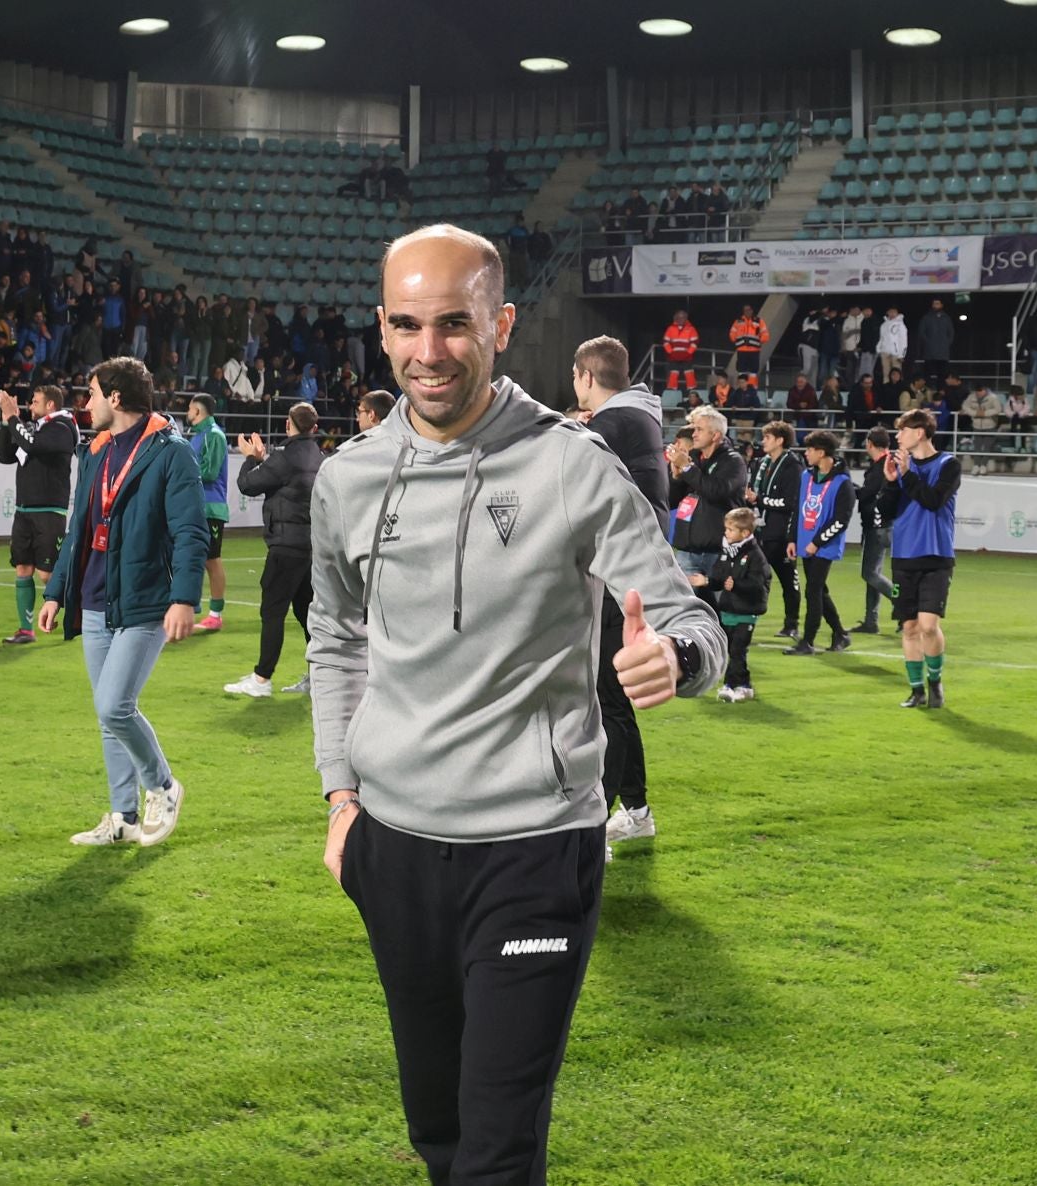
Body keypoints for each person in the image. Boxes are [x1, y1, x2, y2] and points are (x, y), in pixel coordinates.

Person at [310, 225, 725, 1186]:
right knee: (440, 1135)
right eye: (407, 326)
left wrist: (678, 659)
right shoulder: (348, 478)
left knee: (497, 1150)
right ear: (382, 329)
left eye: (454, 325)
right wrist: (341, 800)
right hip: (394, 848)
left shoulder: (571, 465)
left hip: (535, 849)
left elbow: (684, 615)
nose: (429, 352)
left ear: (500, 323)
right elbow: (336, 641)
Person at [38, 356, 205, 848]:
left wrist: (184, 599)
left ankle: (163, 786)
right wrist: (55, 591)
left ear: (115, 398)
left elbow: (190, 532)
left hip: (145, 600)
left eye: (90, 394)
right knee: (107, 713)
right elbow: (79, 529)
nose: (84, 404)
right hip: (94, 599)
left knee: (115, 706)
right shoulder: (95, 450)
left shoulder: (171, 452)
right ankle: (123, 817)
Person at [570, 336, 667, 853]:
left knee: (608, 705)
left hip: (617, 582)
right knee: (613, 702)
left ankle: (597, 820)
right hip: (629, 578)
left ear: (586, 376)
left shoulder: (612, 425)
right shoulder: (635, 421)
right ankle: (637, 810)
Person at [223, 402, 324, 698]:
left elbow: (247, 485)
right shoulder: (319, 456)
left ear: (287, 424)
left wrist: (250, 458)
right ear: (314, 428)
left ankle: (262, 679)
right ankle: (319, 676)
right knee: (307, 614)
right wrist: (263, 457)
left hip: (285, 546)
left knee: (272, 612)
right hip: (309, 546)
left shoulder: (285, 457)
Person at [878, 409, 960, 708]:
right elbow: (885, 513)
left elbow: (933, 500)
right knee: (910, 627)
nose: (897, 436)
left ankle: (935, 681)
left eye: (902, 430)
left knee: (928, 625)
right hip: (904, 556)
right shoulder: (899, 467)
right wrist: (889, 482)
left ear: (920, 433)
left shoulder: (948, 465)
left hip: (936, 554)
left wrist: (908, 474)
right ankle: (916, 689)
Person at [0, 385, 77, 645]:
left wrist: (12, 418)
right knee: (23, 568)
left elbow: (29, 444)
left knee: (46, 574)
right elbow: (6, 455)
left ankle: (79, 616)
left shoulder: (62, 428)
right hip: (24, 510)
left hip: (49, 510)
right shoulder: (34, 429)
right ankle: (26, 629)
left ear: (50, 405)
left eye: (35, 401)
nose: (31, 406)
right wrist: (5, 422)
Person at [781, 430, 853, 656]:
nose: (806, 453)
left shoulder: (843, 483)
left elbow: (841, 520)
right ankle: (840, 633)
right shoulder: (806, 476)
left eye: (810, 449)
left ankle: (808, 641)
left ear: (821, 453)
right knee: (820, 591)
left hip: (824, 547)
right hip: (805, 544)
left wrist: (818, 541)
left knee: (813, 591)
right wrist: (793, 538)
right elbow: (797, 509)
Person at [696, 507, 770, 702]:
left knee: (737, 650)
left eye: (730, 529)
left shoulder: (755, 556)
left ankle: (730, 685)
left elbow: (759, 585)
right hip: (729, 609)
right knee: (732, 651)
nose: (726, 533)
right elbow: (719, 577)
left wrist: (737, 585)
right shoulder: (727, 551)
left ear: (745, 533)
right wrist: (706, 582)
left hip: (747, 611)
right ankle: (744, 685)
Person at [667, 406, 746, 586]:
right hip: (687, 551)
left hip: (719, 553)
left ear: (716, 435)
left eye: (699, 429)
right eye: (694, 429)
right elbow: (671, 500)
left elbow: (716, 491)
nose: (694, 434)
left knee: (720, 610)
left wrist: (687, 469)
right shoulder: (692, 458)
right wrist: (676, 478)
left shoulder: (733, 462)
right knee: (685, 612)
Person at [746, 420, 804, 637]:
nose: (763, 442)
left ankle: (792, 624)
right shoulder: (763, 464)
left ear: (780, 440)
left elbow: (790, 502)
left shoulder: (793, 467)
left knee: (789, 580)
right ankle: (748, 620)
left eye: (768, 438)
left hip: (781, 534)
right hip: (760, 531)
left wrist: (759, 500)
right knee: (755, 577)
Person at [185, 394, 230, 631]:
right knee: (193, 556)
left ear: (198, 411)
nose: (187, 413)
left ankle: (216, 613)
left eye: (190, 409)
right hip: (197, 505)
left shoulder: (214, 435)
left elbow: (210, 471)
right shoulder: (200, 436)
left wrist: (182, 475)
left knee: (212, 560)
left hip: (211, 506)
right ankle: (193, 605)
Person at [852, 427, 899, 634]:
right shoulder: (887, 463)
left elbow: (866, 494)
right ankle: (871, 621)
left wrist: (847, 485)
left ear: (869, 443)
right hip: (881, 525)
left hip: (877, 525)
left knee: (870, 574)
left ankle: (905, 605)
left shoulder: (882, 466)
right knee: (874, 575)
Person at [729, 304, 768, 388]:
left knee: (753, 372)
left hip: (754, 351)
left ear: (752, 310)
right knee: (741, 371)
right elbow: (732, 333)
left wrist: (760, 341)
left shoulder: (759, 321)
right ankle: (741, 388)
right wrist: (736, 340)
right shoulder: (738, 321)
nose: (747, 311)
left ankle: (753, 388)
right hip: (742, 350)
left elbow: (765, 334)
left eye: (749, 309)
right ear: (743, 311)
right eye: (745, 310)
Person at [918, 298, 954, 389]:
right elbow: (922, 333)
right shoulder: (926, 317)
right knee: (927, 376)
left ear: (941, 305)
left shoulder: (947, 318)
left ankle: (940, 394)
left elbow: (951, 333)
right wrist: (928, 344)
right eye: (934, 304)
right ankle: (928, 394)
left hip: (943, 354)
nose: (935, 305)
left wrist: (945, 344)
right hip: (929, 354)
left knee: (942, 377)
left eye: (937, 304)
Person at [662, 309, 698, 393]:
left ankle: (692, 391)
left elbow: (695, 342)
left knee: (689, 373)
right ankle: (672, 391)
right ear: (676, 318)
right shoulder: (670, 329)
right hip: (673, 357)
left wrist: (688, 353)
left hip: (687, 357)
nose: (681, 319)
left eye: (683, 317)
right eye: (679, 317)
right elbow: (665, 342)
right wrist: (671, 352)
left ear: (686, 318)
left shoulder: (691, 329)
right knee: (673, 374)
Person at [876, 307, 908, 380]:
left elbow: (903, 341)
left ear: (897, 313)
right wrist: (879, 349)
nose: (892, 314)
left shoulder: (901, 325)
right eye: (890, 312)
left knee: (897, 373)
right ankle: (886, 389)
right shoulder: (884, 325)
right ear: (887, 313)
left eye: (894, 312)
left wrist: (902, 354)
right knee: (886, 373)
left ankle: (898, 390)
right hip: (885, 352)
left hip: (896, 354)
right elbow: (881, 338)